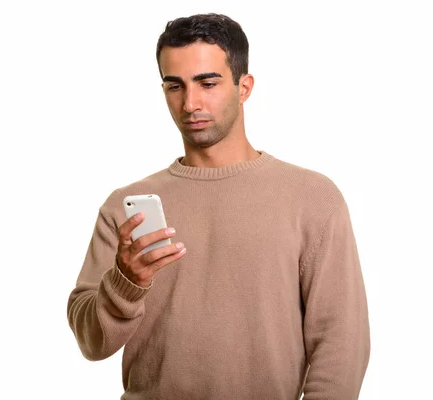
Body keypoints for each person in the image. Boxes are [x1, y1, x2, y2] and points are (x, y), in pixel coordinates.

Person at [67, 13, 370, 400]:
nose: (190, 103)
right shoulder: (126, 208)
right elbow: (92, 344)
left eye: (207, 83)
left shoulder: (311, 197)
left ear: (244, 87)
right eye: (174, 86)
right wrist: (127, 283)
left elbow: (342, 343)